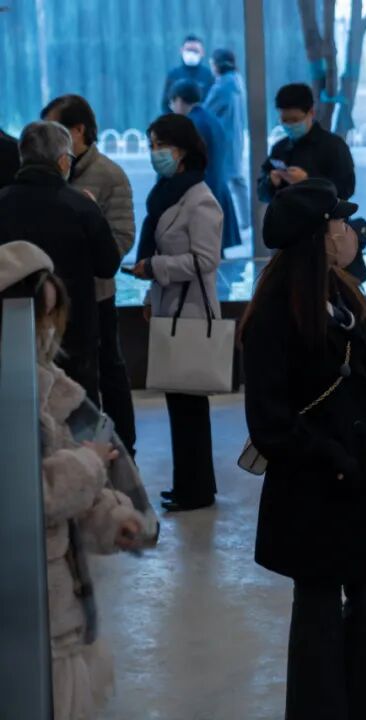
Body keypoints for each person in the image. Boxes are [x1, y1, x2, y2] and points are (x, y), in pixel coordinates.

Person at [241, 179, 366, 719]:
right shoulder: (273, 312)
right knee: (317, 608)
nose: (348, 230)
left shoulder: (343, 292)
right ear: (318, 236)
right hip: (316, 484)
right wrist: (329, 457)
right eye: (338, 222)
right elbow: (268, 423)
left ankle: (363, 709)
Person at [0, 241, 156, 720]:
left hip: (59, 614)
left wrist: (113, 520)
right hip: (21, 619)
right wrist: (88, 464)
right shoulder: (15, 392)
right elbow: (24, 494)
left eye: (51, 316)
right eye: (37, 317)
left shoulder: (52, 388)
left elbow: (73, 494)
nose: (45, 330)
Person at [132, 114, 223, 512]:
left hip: (191, 312)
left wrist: (155, 268)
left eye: (160, 145)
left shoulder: (200, 199)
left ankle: (197, 490)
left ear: (182, 150)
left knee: (190, 408)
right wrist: (150, 294)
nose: (155, 153)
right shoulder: (165, 193)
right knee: (180, 405)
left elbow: (206, 260)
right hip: (170, 306)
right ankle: (188, 484)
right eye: (151, 144)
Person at [42, 94, 138, 456]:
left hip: (96, 294)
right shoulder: (49, 176)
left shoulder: (109, 174)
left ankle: (124, 448)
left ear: (78, 130)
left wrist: (90, 230)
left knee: (108, 370)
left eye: (56, 128)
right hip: (54, 298)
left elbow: (123, 237)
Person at [0, 121, 121, 402]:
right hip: (73, 330)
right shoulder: (81, 206)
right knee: (76, 408)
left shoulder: (2, 203)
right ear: (63, 161)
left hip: (12, 330)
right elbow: (107, 265)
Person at [169, 80, 241, 252]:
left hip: (200, 197)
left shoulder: (190, 126)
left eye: (172, 103)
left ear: (179, 100)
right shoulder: (212, 120)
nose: (172, 108)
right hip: (218, 191)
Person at [257, 83, 355, 203]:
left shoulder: (334, 146)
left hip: (322, 214)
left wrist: (308, 181)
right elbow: (262, 193)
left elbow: (346, 189)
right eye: (284, 120)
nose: (290, 125)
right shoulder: (280, 148)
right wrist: (271, 182)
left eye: (295, 120)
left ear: (311, 113)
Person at [205, 48, 250, 230]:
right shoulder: (237, 80)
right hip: (235, 138)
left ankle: (224, 223)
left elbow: (207, 111)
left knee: (220, 182)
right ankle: (246, 220)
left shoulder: (222, 86)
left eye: (212, 63)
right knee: (237, 180)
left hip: (223, 141)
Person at [161, 34, 215, 114]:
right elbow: (165, 103)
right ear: (181, 51)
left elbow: (213, 104)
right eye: (188, 50)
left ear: (202, 52)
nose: (191, 53)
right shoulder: (173, 75)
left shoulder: (209, 75)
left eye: (195, 51)